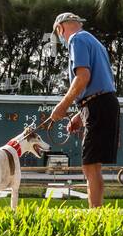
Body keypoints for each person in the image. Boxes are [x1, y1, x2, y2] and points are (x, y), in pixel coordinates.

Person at [46, 12, 118, 208]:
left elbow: (83, 77)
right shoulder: (95, 42)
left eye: (58, 33)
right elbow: (100, 82)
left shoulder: (76, 40)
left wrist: (64, 104)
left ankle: (95, 214)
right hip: (103, 103)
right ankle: (98, 210)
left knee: (89, 165)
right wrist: (80, 113)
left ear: (60, 28)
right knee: (94, 164)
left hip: (97, 105)